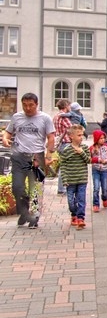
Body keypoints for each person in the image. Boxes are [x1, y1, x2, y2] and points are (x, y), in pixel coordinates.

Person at [1, 93, 55, 229]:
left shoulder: (45, 118)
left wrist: (48, 156)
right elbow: (8, 132)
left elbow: (51, 138)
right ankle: (24, 212)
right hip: (19, 156)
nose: (28, 108)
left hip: (37, 157)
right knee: (17, 188)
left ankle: (34, 217)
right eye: (25, 105)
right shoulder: (16, 117)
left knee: (35, 188)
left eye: (31, 105)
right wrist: (5, 139)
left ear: (37, 104)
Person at [60, 124, 91, 229]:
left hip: (82, 179)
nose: (81, 137)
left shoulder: (85, 148)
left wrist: (82, 152)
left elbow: (89, 160)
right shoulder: (66, 150)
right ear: (71, 136)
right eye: (78, 135)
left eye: (82, 135)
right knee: (71, 201)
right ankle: (74, 213)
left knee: (81, 199)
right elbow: (63, 165)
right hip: (70, 180)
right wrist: (64, 179)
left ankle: (81, 218)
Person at [89, 130, 107, 212]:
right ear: (96, 139)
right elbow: (89, 159)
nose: (102, 140)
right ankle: (96, 204)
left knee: (105, 187)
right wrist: (97, 160)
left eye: (104, 138)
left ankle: (104, 197)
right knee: (96, 187)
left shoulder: (106, 147)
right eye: (100, 138)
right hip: (95, 170)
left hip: (104, 170)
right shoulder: (92, 148)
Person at [53, 99, 73, 195]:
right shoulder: (64, 117)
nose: (70, 107)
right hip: (66, 143)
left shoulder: (56, 116)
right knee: (65, 167)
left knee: (63, 165)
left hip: (60, 143)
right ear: (65, 106)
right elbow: (72, 128)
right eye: (69, 105)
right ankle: (62, 189)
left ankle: (62, 188)